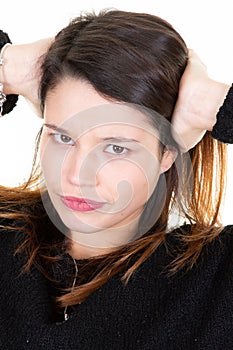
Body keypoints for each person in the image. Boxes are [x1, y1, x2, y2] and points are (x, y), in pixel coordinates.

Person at [0, 9, 232, 350]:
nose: (77, 175)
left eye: (115, 148)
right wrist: (8, 66)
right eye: (63, 138)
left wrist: (214, 105)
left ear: (169, 151)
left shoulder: (214, 281)